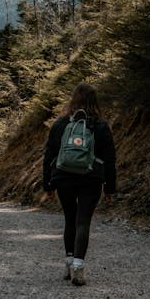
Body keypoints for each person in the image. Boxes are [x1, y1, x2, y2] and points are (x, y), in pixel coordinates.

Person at [43, 83, 116, 286]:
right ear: (95, 101)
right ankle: (78, 266)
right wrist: (110, 188)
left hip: (63, 177)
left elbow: (49, 154)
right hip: (91, 178)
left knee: (69, 218)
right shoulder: (101, 125)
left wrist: (47, 184)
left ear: (73, 99)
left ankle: (67, 263)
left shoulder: (61, 123)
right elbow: (110, 159)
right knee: (83, 220)